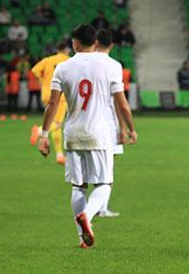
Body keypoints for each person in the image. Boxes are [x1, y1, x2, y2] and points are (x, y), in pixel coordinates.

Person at [36, 24, 137, 248]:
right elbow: (121, 103)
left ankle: (82, 237)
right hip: (99, 133)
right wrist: (131, 128)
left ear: (75, 43)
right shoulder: (112, 66)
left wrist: (44, 135)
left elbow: (53, 104)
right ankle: (87, 216)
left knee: (78, 187)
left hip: (73, 132)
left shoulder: (63, 68)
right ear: (95, 42)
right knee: (104, 184)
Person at [94, 29, 125, 218]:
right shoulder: (114, 66)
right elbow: (118, 101)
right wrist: (124, 127)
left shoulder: (81, 64)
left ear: (95, 43)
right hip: (108, 123)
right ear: (111, 45)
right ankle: (100, 207)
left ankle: (92, 207)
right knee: (107, 168)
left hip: (84, 123)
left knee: (87, 172)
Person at [29, 41, 71, 165]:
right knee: (57, 124)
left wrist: (43, 80)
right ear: (67, 50)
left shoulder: (48, 60)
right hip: (60, 95)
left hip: (47, 92)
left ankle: (59, 155)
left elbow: (34, 70)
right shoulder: (68, 61)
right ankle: (39, 131)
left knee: (55, 124)